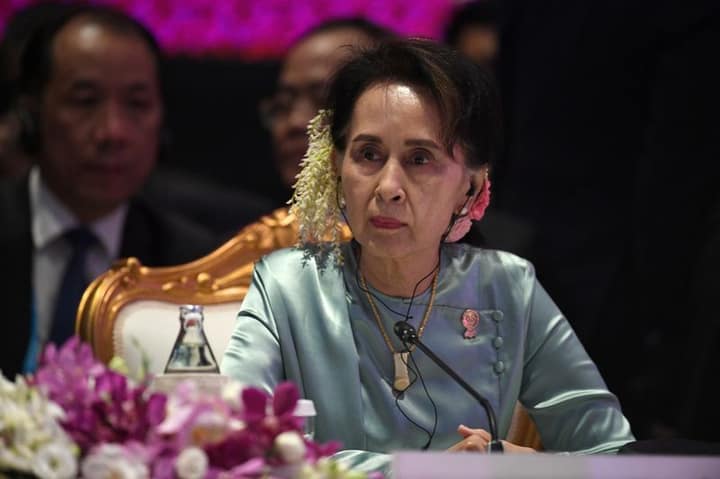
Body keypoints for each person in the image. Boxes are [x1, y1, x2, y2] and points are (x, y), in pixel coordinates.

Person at [221, 38, 634, 474]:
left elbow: (614, 454)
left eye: (419, 159)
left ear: (470, 187)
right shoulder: (287, 285)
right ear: (338, 168)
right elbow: (241, 443)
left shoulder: (508, 288)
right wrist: (424, 472)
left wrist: (532, 467)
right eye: (368, 155)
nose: (388, 188)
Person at [0, 5, 219, 379]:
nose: (113, 132)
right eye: (85, 101)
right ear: (31, 114)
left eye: (137, 104)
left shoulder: (191, 267)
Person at [258, 18, 394, 206]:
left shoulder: (428, 223)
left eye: (325, 101)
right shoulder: (262, 225)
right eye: (284, 104)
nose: (295, 122)